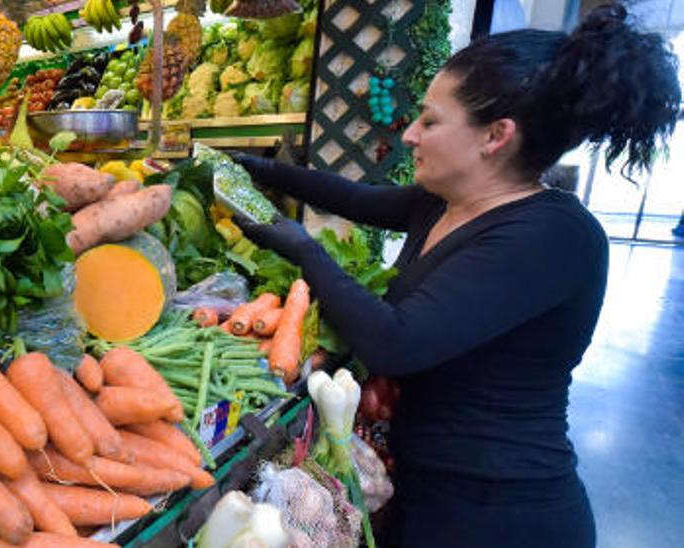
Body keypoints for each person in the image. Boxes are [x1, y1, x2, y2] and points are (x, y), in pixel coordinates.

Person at [227, 4, 680, 547]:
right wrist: (249, 169)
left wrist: (304, 249)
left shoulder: (553, 236)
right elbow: (352, 197)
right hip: (427, 489)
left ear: (496, 135)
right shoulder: (447, 202)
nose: (411, 134)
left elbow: (397, 341)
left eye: (431, 121)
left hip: (499, 510)